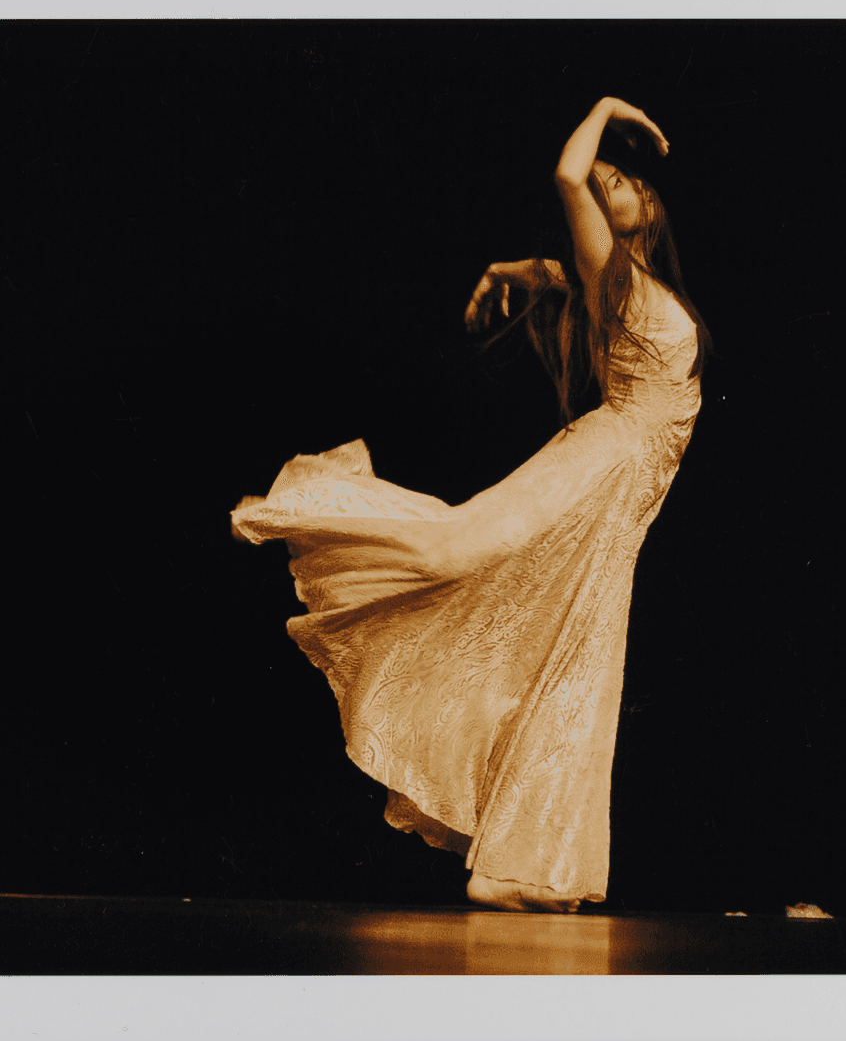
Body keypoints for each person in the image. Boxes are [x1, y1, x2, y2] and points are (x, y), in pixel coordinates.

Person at [232, 98, 709, 912]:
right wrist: (609, 109)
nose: (607, 187)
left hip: (625, 494)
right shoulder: (615, 276)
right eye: (606, 185)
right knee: (458, 551)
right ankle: (309, 508)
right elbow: (569, 176)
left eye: (623, 180)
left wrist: (504, 272)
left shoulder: (630, 281)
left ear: (653, 204)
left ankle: (521, 868)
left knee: (580, 662)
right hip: (600, 466)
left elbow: (553, 274)